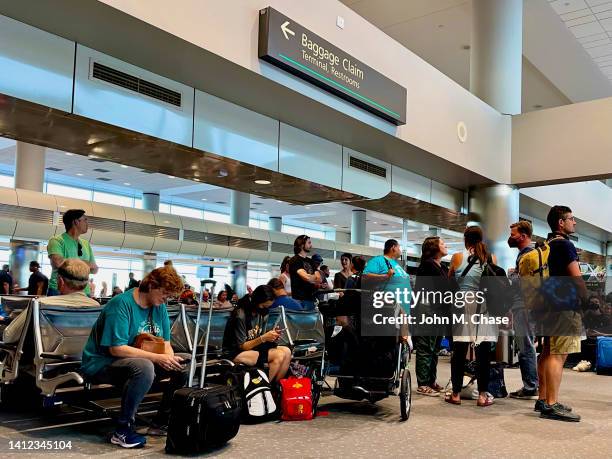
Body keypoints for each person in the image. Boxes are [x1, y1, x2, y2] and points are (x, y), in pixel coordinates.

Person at [81, 266, 188, 448]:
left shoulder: (159, 307)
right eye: (165, 294)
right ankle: (122, 430)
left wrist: (168, 358)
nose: (166, 300)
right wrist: (158, 359)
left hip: (136, 362)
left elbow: (167, 345)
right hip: (101, 363)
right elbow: (117, 349)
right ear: (152, 285)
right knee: (144, 366)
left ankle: (160, 422)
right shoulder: (121, 304)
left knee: (183, 361)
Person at [535, 206, 584, 422]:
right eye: (571, 219)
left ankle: (544, 398)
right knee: (558, 354)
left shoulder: (547, 245)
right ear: (560, 223)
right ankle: (552, 404)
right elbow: (576, 277)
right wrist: (587, 298)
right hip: (564, 306)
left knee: (547, 351)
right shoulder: (565, 245)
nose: (575, 222)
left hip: (547, 306)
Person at [446, 226, 498, 407]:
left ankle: (456, 394)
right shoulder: (490, 257)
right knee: (483, 352)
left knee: (459, 351)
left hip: (462, 304)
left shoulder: (457, 257)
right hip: (483, 305)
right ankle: (483, 395)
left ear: (465, 239)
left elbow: (449, 280)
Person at [4, 259, 99, 344]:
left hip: (45, 361)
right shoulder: (96, 306)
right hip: (82, 361)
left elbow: (9, 336)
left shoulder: (41, 304)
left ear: (61, 281)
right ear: (86, 283)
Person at [222, 285, 291, 382]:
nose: (265, 309)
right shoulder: (240, 315)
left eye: (267, 307)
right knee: (278, 355)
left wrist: (271, 336)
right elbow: (242, 346)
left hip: (253, 348)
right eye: (263, 306)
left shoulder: (263, 312)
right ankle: (265, 389)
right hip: (235, 352)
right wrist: (263, 338)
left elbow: (259, 337)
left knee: (287, 352)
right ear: (256, 301)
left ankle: (275, 387)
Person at [413, 236, 450, 397]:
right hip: (427, 309)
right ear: (433, 248)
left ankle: (431, 380)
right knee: (425, 347)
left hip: (437, 309)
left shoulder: (440, 266)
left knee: (434, 348)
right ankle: (423, 383)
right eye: (442, 243)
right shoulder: (428, 265)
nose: (445, 245)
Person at [507, 221, 539, 400]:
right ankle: (533, 384)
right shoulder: (530, 255)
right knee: (529, 345)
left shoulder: (527, 256)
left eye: (513, 234)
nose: (510, 238)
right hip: (529, 306)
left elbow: (522, 283)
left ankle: (530, 386)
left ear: (523, 236)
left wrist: (512, 275)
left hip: (524, 306)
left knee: (525, 346)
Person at [47, 209, 98, 296]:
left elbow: (94, 269)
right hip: (60, 290)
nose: (87, 223)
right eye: (85, 220)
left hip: (84, 292)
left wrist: (68, 263)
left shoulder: (86, 244)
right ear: (76, 222)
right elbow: (58, 263)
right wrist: (85, 265)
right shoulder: (57, 240)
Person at [288, 235, 321, 310]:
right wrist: (313, 278)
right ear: (302, 245)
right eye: (309, 243)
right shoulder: (295, 260)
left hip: (311, 299)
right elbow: (307, 277)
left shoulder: (310, 261)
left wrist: (312, 278)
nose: (311, 245)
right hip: (300, 300)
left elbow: (319, 279)